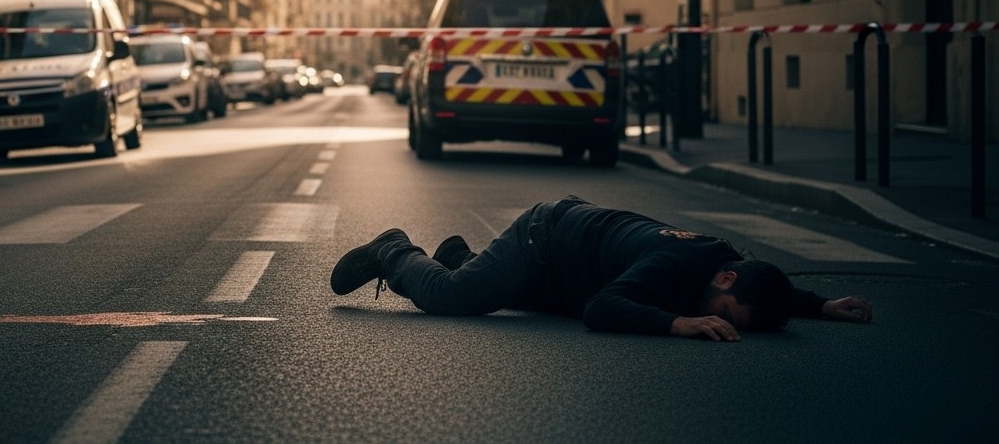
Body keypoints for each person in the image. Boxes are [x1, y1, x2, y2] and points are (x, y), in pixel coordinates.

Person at [330, 196, 874, 341]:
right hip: (546, 239)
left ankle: (462, 257)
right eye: (723, 311)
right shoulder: (675, 265)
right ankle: (395, 250)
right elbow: (601, 309)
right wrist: (676, 323)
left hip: (573, 263)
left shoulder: (729, 269)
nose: (720, 320)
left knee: (513, 297)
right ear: (723, 281)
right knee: (454, 298)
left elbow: (767, 293)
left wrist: (822, 305)